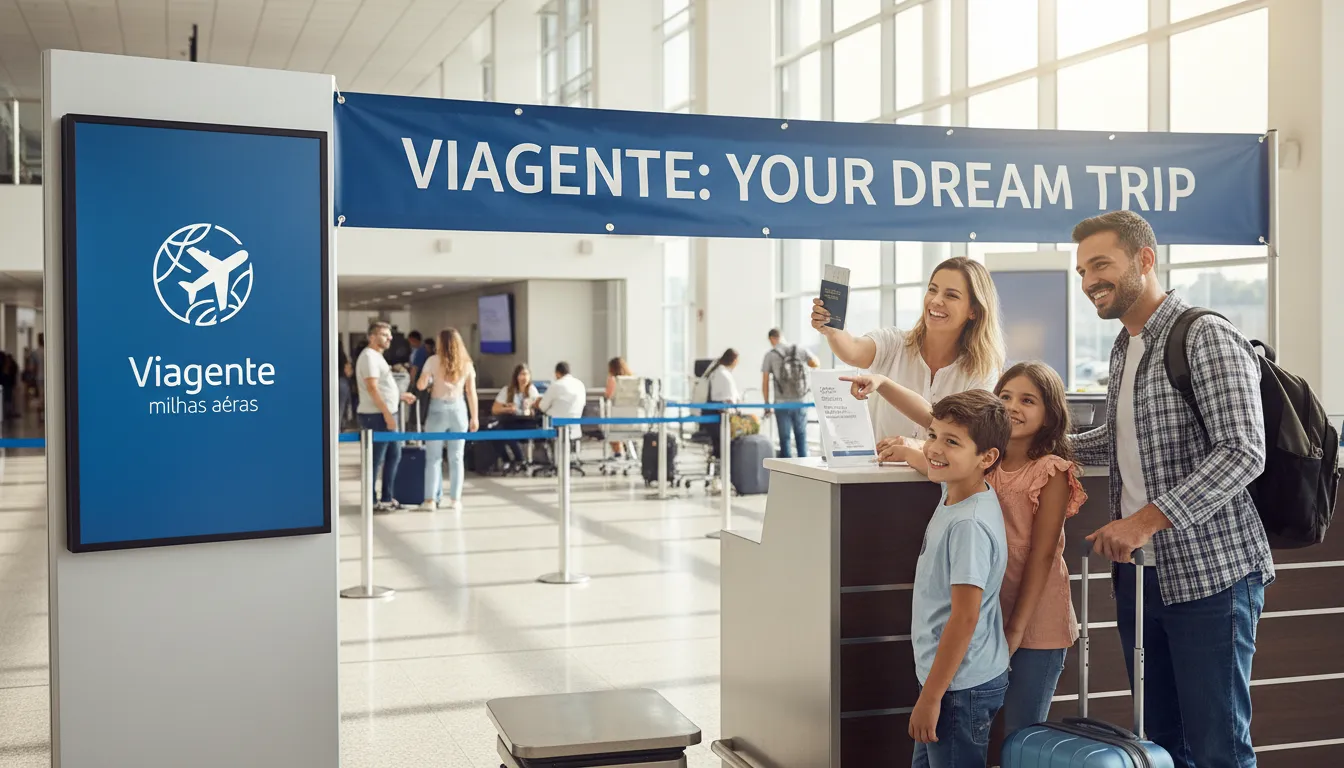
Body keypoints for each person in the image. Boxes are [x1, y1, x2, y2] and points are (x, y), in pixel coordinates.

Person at [1070, 210, 1270, 768]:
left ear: (1146, 260)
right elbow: (1116, 437)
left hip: (1212, 577)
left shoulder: (1205, 333)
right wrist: (1036, 442)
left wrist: (1143, 520)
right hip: (1140, 577)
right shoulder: (1124, 346)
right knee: (1159, 745)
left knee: (1218, 750)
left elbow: (1242, 450)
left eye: (1101, 265)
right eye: (1082, 271)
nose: (1089, 282)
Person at [842, 361, 1086, 733]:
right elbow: (932, 422)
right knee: (976, 723)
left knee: (1023, 731)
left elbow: (1043, 555)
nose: (1012, 406)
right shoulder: (985, 459)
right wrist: (886, 391)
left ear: (1051, 414)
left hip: (1036, 613)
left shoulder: (1050, 471)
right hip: (986, 614)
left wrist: (1018, 628)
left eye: (1027, 400)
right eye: (1004, 396)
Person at [905, 389, 1011, 767]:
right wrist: (909, 452)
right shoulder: (961, 491)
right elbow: (936, 464)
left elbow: (964, 617)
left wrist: (931, 698)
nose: (934, 448)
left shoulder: (969, 524)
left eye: (952, 441)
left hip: (957, 688)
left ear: (987, 458)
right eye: (932, 434)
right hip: (948, 679)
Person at [811, 257, 1004, 455]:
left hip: (941, 485)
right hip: (878, 479)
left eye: (951, 295)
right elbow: (852, 350)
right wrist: (832, 330)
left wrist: (918, 445)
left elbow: (967, 438)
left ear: (974, 311)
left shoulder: (982, 370)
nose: (936, 300)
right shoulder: (894, 343)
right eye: (932, 289)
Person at [356, 321, 418, 512]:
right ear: (372, 337)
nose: (389, 338)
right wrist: (387, 415)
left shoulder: (378, 357)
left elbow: (382, 388)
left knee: (394, 455)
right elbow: (372, 389)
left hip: (386, 413)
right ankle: (371, 500)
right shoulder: (369, 357)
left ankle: (387, 497)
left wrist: (398, 397)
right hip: (376, 416)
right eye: (384, 334)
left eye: (389, 335)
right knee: (375, 460)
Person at [417, 329, 479, 511]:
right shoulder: (466, 364)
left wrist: (428, 382)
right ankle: (455, 500)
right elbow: (471, 392)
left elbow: (421, 385)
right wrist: (474, 417)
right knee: (456, 458)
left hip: (437, 409)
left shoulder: (432, 361)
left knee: (433, 458)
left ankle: (429, 500)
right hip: (459, 410)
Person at [761, 329, 819, 458]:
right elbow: (816, 363)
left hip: (781, 404)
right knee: (801, 437)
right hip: (801, 401)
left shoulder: (771, 355)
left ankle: (786, 475)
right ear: (782, 336)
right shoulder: (799, 349)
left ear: (772, 339)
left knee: (785, 439)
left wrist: (767, 404)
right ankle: (806, 473)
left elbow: (765, 382)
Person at [493, 363, 543, 468]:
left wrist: (532, 407)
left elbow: (539, 408)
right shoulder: (507, 390)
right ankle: (507, 460)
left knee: (508, 433)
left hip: (527, 423)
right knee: (496, 432)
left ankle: (520, 460)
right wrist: (507, 409)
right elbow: (495, 409)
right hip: (511, 420)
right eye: (521, 374)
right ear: (516, 376)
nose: (524, 378)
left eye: (526, 374)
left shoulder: (532, 390)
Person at [538, 361, 588, 445]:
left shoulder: (556, 385)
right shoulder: (580, 384)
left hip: (555, 427)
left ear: (557, 373)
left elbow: (542, 407)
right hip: (575, 427)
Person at [604, 356, 634, 457]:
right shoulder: (633, 380)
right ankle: (626, 450)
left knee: (608, 423)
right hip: (633, 420)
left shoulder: (613, 380)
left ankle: (618, 452)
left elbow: (607, 397)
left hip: (617, 419)